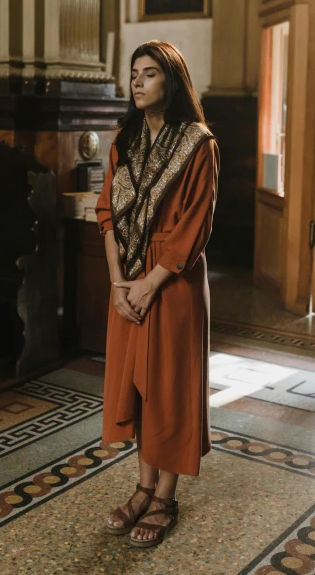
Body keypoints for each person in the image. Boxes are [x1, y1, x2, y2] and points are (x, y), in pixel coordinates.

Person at [95, 40, 220, 548]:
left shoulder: (198, 143)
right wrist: (119, 283)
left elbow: (196, 224)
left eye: (150, 74)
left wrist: (150, 283)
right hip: (127, 279)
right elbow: (106, 213)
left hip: (173, 281)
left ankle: (166, 496)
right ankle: (143, 487)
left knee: (170, 387)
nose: (139, 82)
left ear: (172, 81)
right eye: (134, 74)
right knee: (137, 387)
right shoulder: (124, 140)